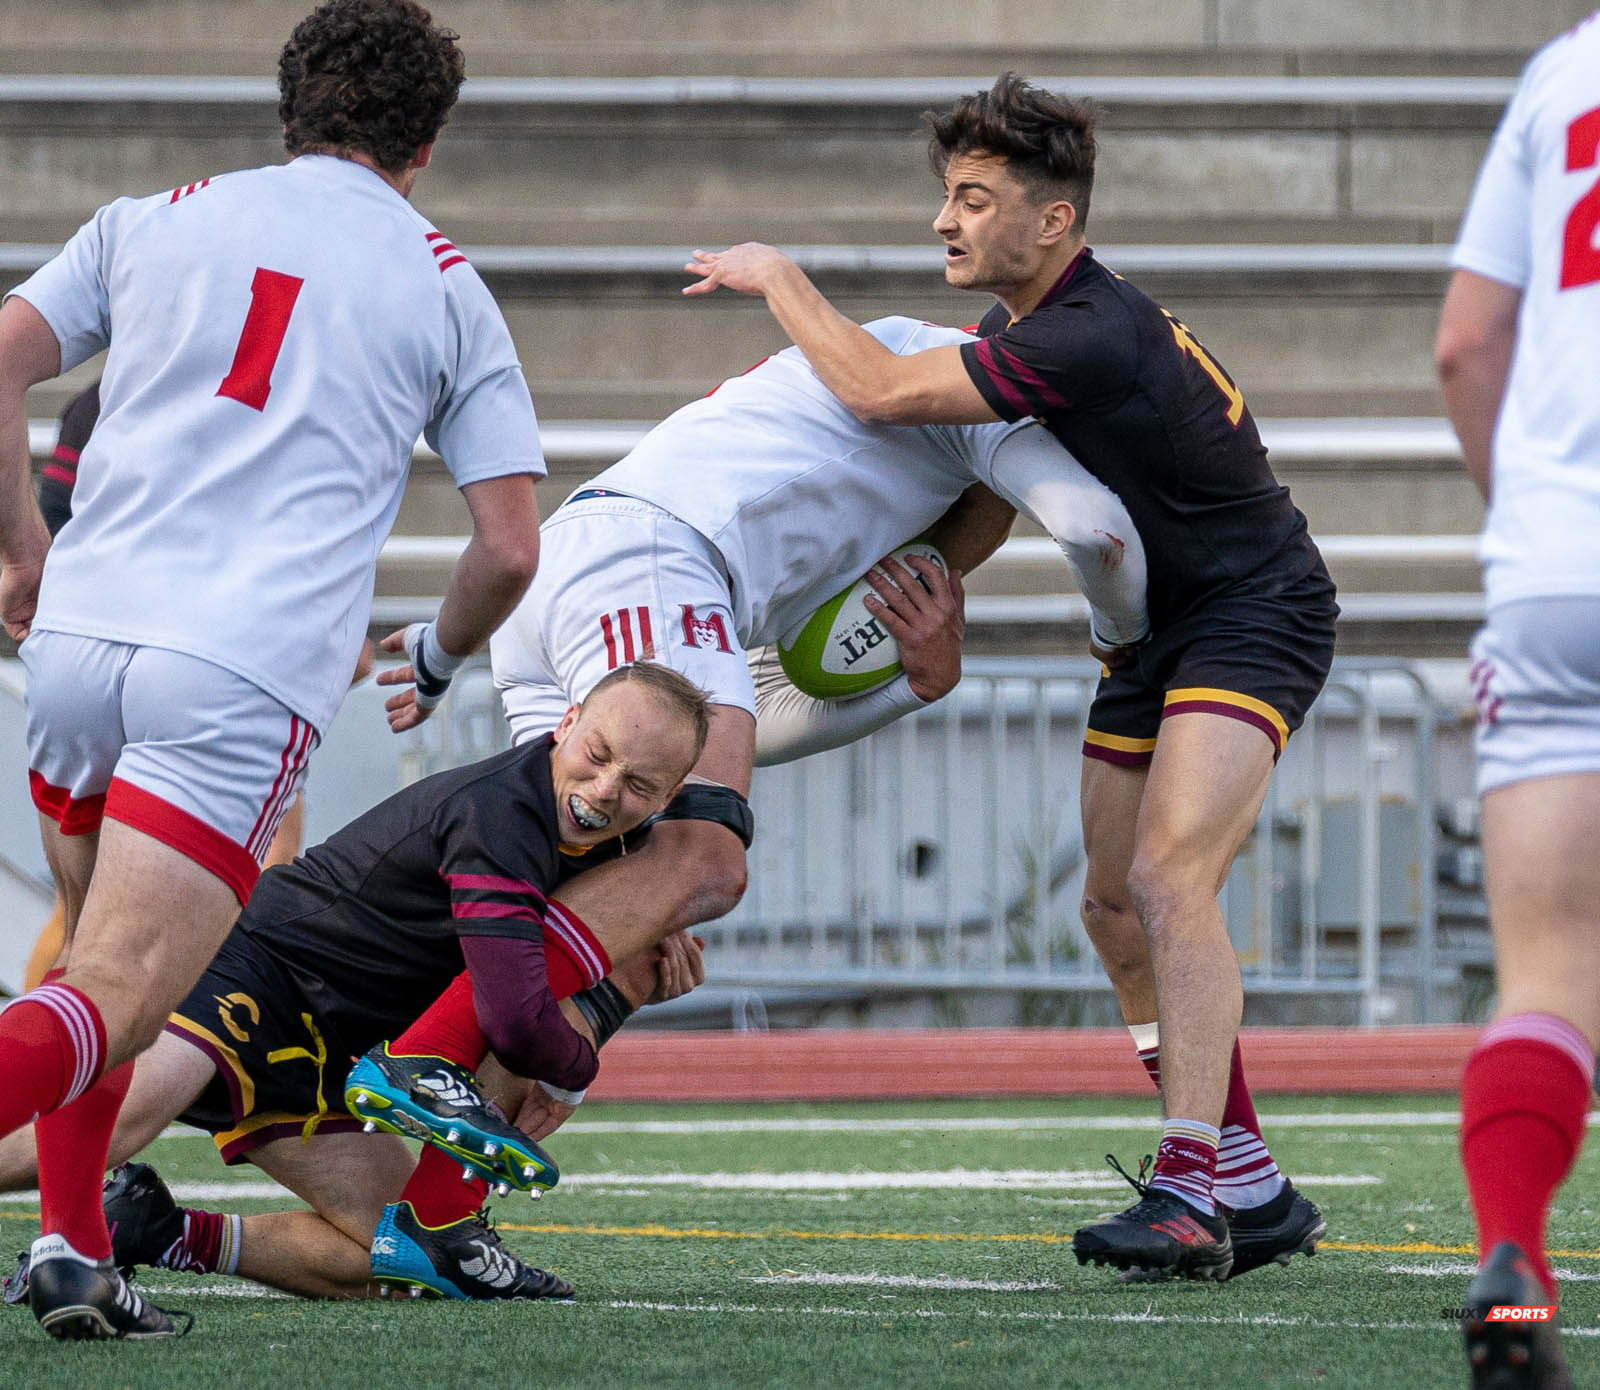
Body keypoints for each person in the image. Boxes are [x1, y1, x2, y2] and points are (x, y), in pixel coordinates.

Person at [682, 73, 1339, 1283]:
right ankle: (1247, 1175)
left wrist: (777, 277)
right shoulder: (1021, 340)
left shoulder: (1088, 332)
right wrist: (921, 585)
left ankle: (1192, 1187)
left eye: (974, 199)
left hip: (1255, 614)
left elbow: (875, 391)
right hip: (1150, 637)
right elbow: (989, 500)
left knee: (1166, 877)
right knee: (1106, 905)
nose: (946, 221)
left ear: (1053, 223)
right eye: (946, 196)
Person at [0, 0, 544, 1340]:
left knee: (85, 988)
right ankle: (70, 1245)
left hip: (74, 642)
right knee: (123, 990)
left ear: (288, 109)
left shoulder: (152, 215)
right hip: (231, 672)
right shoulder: (441, 281)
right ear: (424, 148)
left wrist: (20, 544)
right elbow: (509, 545)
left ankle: (73, 1252)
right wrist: (441, 647)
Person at [0, 662, 712, 1303]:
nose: (604, 788)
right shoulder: (502, 812)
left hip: (335, 1052)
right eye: (598, 754)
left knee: (393, 1262)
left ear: (671, 795)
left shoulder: (621, 853)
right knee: (100, 1132)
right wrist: (582, 1056)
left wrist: (631, 971)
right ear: (566, 724)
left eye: (640, 783)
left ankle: (158, 1231)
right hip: (262, 971)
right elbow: (514, 1019)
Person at [1434, 16, 1600, 1389]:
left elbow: (1466, 345)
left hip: (1558, 571)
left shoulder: (1562, 72)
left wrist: (1535, 525)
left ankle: (1515, 1258)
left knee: (1549, 971)